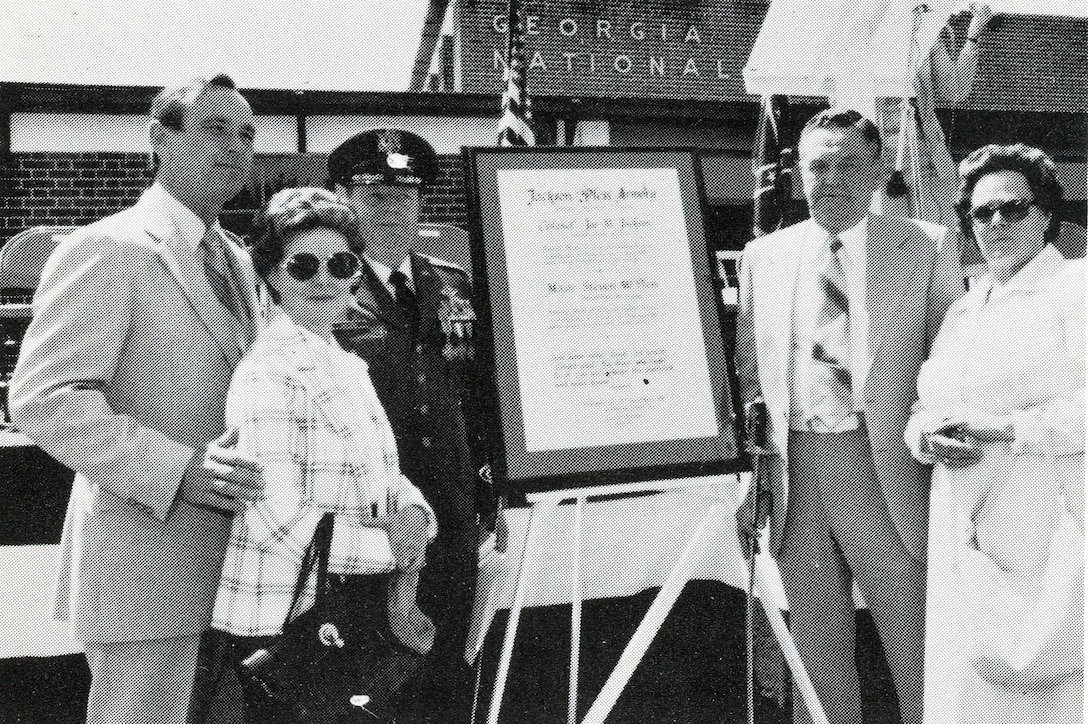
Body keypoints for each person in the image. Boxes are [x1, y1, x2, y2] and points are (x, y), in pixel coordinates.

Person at [8, 75, 263, 724]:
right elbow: (44, 397)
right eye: (212, 129)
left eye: (246, 134)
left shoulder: (237, 258)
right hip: (143, 578)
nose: (234, 146)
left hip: (237, 580)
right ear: (159, 138)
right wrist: (177, 472)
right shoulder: (107, 248)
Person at [735, 108, 964, 724]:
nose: (830, 180)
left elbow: (955, 360)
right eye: (816, 167)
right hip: (794, 472)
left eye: (847, 164)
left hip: (886, 467)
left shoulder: (929, 244)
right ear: (797, 175)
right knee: (816, 649)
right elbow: (749, 377)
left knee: (915, 641)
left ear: (880, 168)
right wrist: (750, 476)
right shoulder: (764, 256)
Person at [197, 188, 437, 722]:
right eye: (303, 266)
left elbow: (388, 475)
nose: (325, 280)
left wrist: (417, 515)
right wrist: (391, 546)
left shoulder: (345, 364)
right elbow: (272, 513)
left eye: (341, 263)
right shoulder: (269, 372)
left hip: (343, 608)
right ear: (272, 278)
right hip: (283, 626)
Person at [905, 144, 1084, 724]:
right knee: (968, 696)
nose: (997, 224)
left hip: (1046, 520)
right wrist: (924, 438)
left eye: (1014, 208)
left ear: (1047, 214)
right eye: (982, 214)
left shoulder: (1075, 288)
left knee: (1046, 686)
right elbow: (926, 406)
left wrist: (1004, 431)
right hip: (962, 522)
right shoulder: (965, 307)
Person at [328, 128, 494, 723]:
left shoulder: (451, 283)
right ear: (344, 200)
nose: (393, 209)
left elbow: (479, 392)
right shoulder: (322, 286)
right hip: (367, 519)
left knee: (448, 673)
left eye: (407, 194)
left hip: (451, 516)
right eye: (374, 194)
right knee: (368, 682)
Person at [875, 3, 995, 227]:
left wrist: (973, 36)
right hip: (884, 160)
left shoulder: (923, 25)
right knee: (895, 239)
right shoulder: (858, 24)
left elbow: (955, 88)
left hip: (931, 156)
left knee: (946, 233)